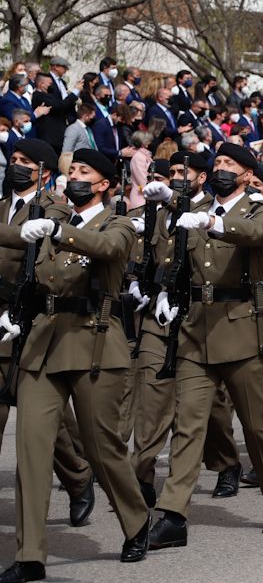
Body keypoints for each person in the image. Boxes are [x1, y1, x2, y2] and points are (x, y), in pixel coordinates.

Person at [0, 149, 150, 582]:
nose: (75, 177)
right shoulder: (52, 219)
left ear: (104, 184)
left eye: (85, 172)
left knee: (102, 449)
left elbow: (108, 248)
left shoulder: (118, 222)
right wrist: (32, 229)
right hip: (43, 343)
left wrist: (58, 230)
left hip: (94, 343)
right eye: (73, 171)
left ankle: (136, 519)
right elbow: (14, 237)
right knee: (30, 450)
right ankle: (30, 555)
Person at [146, 144, 263, 549]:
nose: (221, 169)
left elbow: (261, 235)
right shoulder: (196, 206)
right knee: (189, 425)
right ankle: (174, 513)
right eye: (218, 164)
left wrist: (213, 223)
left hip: (245, 329)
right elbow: (170, 257)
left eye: (230, 164)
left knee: (259, 424)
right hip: (197, 331)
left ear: (247, 175)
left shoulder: (261, 208)